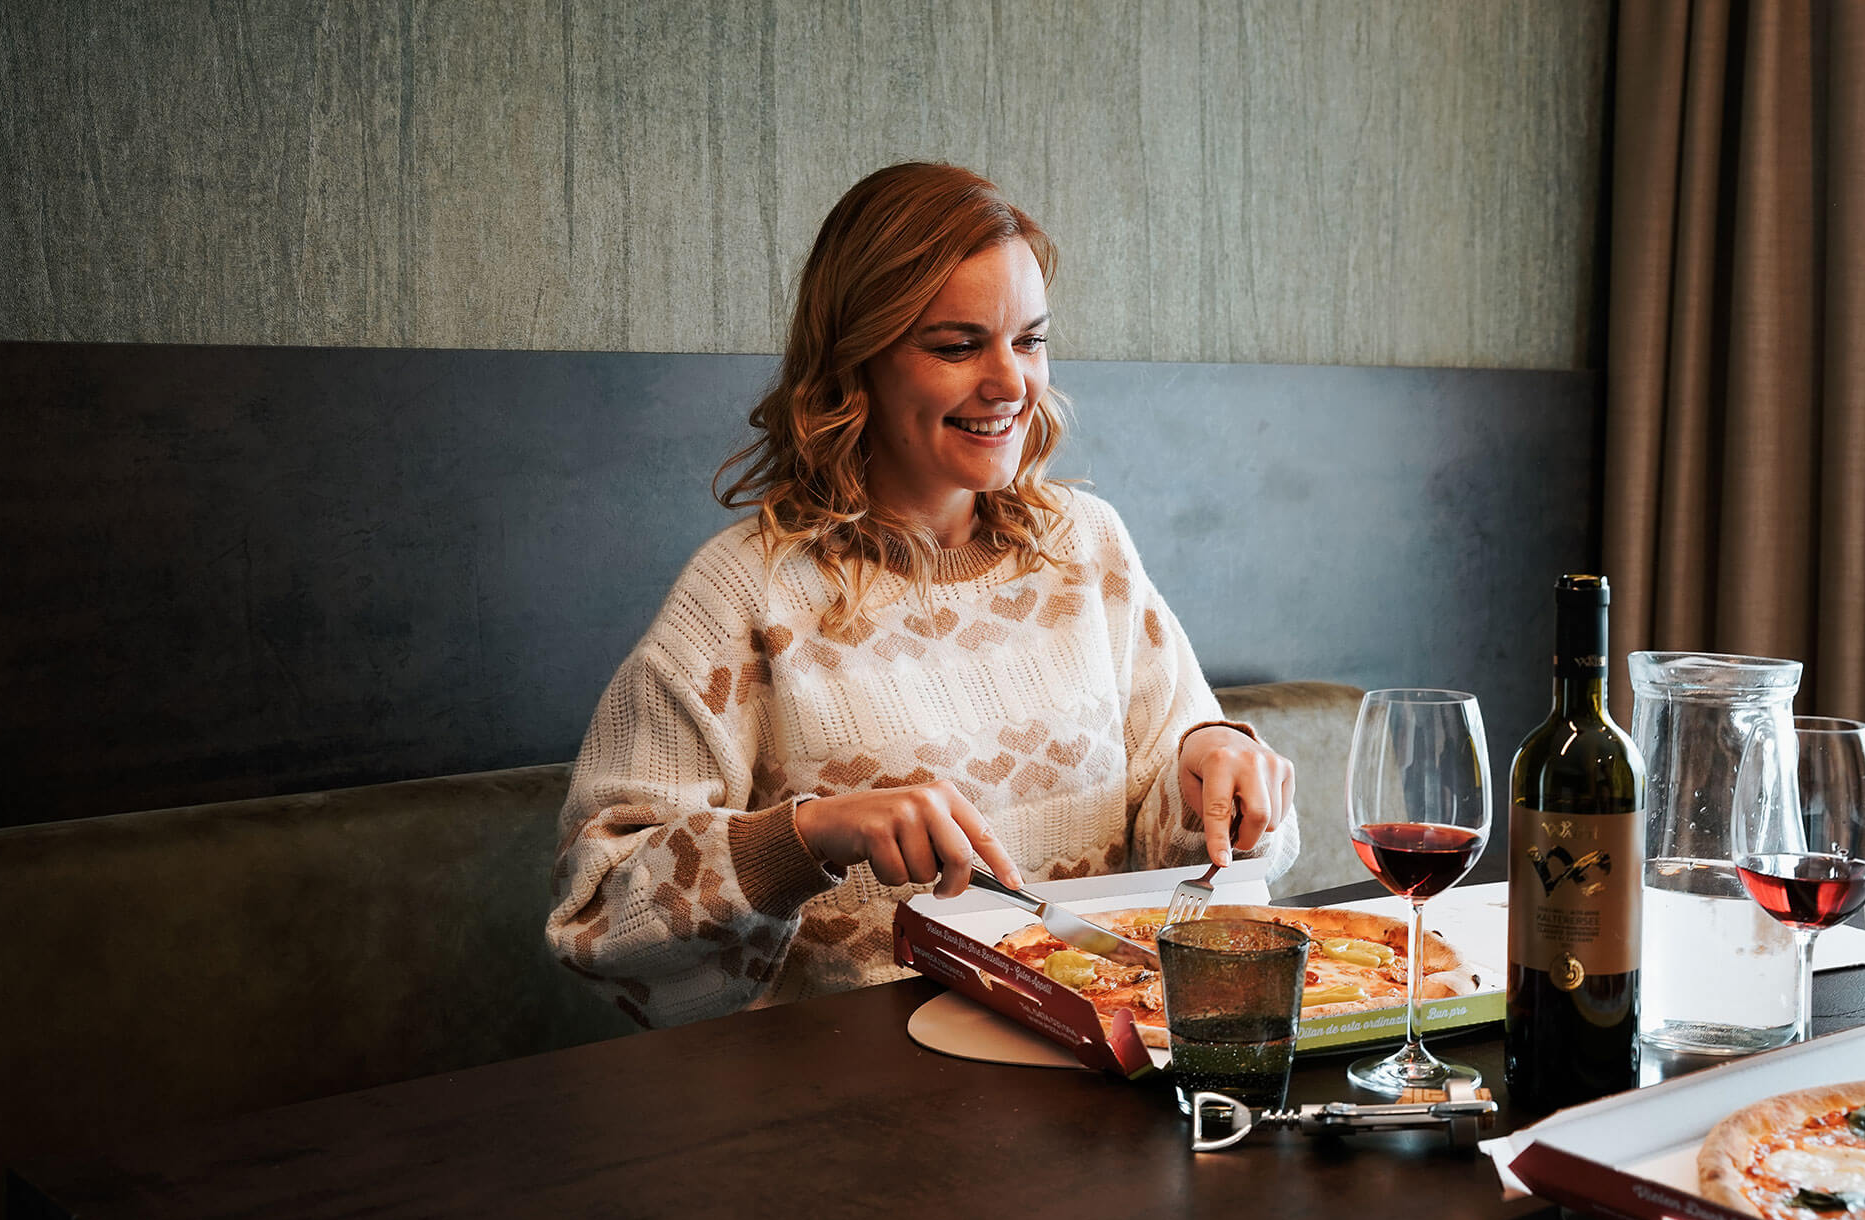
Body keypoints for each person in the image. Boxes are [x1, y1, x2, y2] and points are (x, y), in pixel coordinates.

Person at [546, 162, 1300, 1030]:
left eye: (1029, 340)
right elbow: (598, 917)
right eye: (957, 346)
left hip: (1096, 1064)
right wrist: (803, 838)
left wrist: (1214, 766)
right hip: (859, 1085)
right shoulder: (745, 593)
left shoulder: (1085, 545)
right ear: (855, 362)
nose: (1011, 384)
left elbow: (1187, 856)